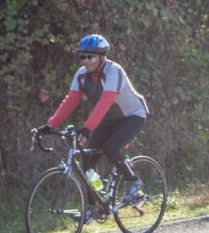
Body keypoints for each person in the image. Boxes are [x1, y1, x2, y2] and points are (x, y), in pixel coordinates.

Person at [36, 34, 149, 203]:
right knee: (87, 162)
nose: (86, 61)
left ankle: (133, 181)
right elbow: (70, 102)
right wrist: (50, 125)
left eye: (91, 57)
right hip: (109, 119)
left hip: (132, 115)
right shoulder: (81, 75)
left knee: (111, 148)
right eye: (83, 57)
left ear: (102, 56)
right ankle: (96, 201)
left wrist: (87, 128)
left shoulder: (113, 71)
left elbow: (105, 102)